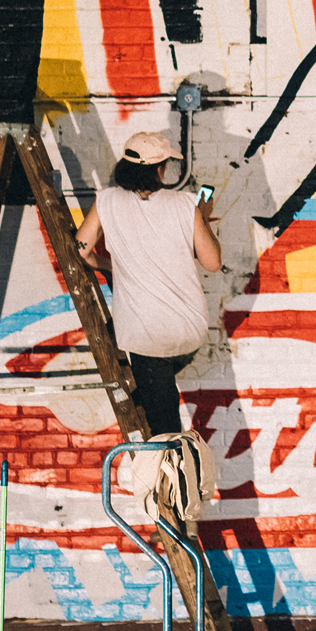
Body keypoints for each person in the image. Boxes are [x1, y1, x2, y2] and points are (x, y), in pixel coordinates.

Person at [74, 132, 221, 436]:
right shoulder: (185, 204)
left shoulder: (107, 200)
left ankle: (173, 467)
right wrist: (202, 219)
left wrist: (109, 266)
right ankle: (148, 397)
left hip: (145, 337)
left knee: (163, 429)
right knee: (158, 394)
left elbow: (81, 250)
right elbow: (212, 263)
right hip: (188, 331)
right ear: (159, 170)